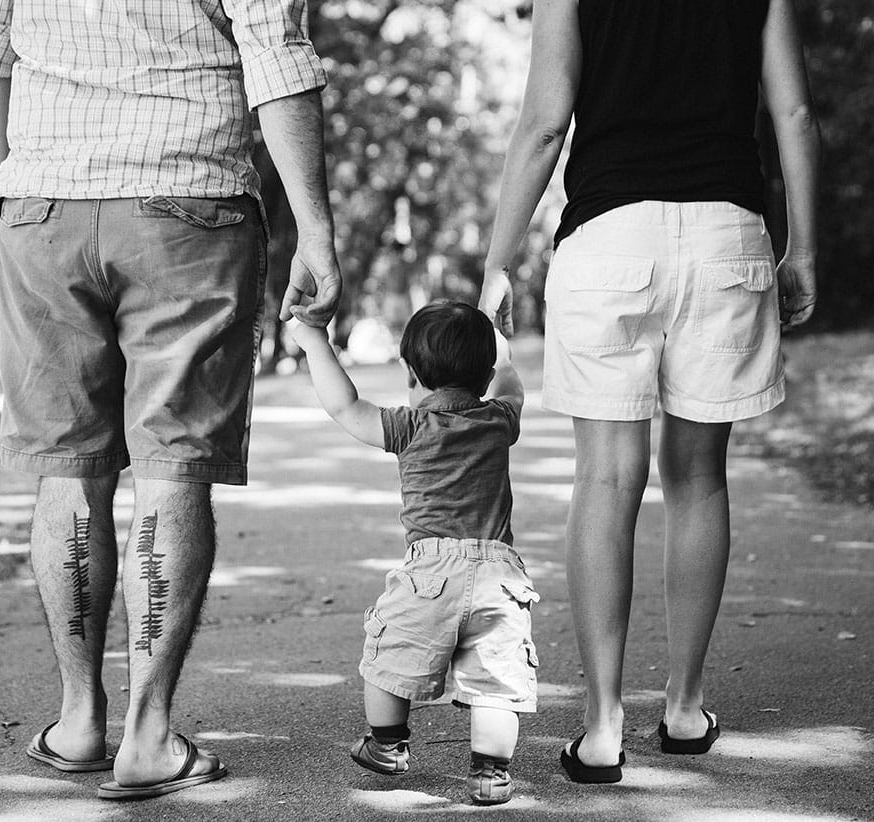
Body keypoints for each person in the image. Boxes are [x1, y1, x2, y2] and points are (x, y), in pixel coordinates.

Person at [0, 0, 341, 800]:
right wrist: (316, 228)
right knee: (172, 472)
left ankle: (78, 720)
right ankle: (147, 737)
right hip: (187, 205)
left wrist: (5, 182)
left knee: (69, 471)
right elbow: (276, 57)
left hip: (43, 211)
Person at [479, 0, 820, 783]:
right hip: (725, 235)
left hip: (608, 238)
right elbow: (794, 113)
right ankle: (684, 706)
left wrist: (498, 260)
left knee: (604, 477)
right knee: (698, 476)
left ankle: (601, 729)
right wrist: (804, 247)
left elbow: (542, 122)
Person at [291, 302, 537, 806]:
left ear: (409, 374)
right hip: (499, 573)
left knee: (387, 654)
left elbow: (345, 407)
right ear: (484, 376)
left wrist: (315, 340)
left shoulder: (409, 426)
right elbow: (512, 384)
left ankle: (388, 745)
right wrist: (503, 344)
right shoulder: (497, 420)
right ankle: (490, 773)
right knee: (494, 678)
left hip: (430, 571)